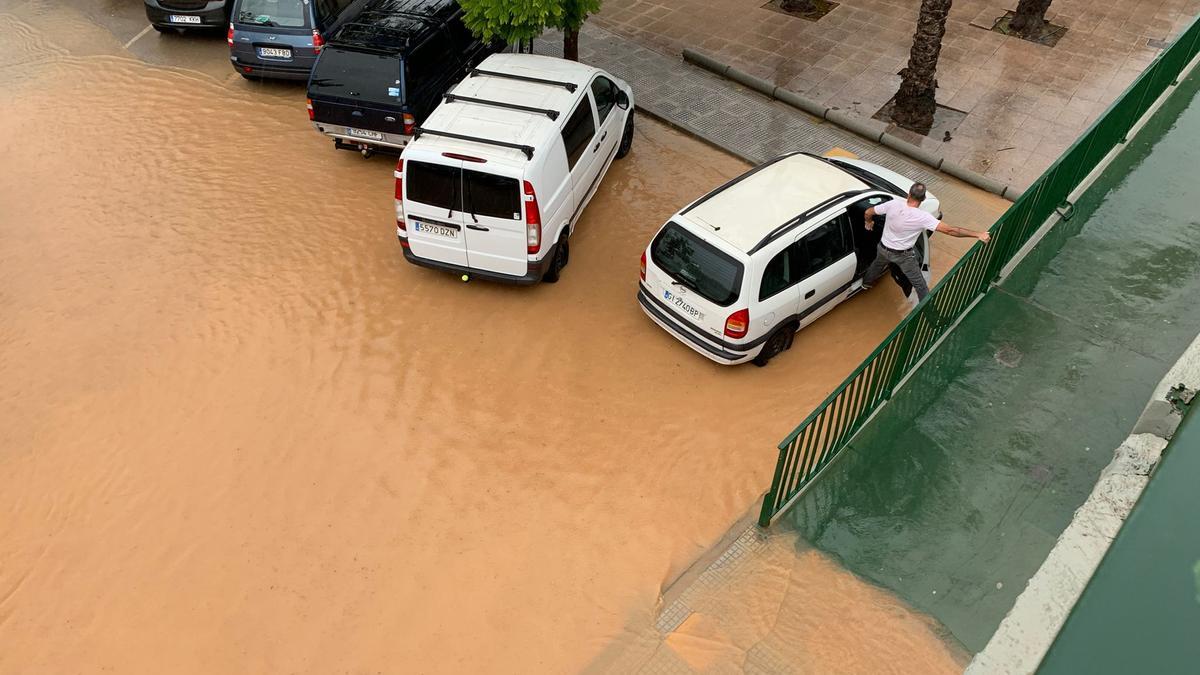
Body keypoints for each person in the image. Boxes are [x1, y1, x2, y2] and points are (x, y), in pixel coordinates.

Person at [862, 184, 991, 301]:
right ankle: (927, 310)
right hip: (903, 257)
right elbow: (951, 231)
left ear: (908, 194)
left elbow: (868, 212)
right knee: (920, 285)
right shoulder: (923, 217)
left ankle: (865, 284)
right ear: (923, 199)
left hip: (883, 248)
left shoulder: (893, 204)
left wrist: (869, 222)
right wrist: (977, 234)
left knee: (876, 265)